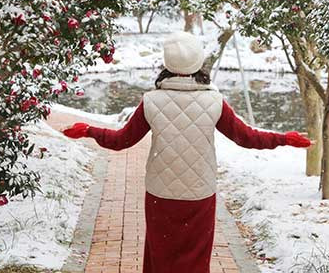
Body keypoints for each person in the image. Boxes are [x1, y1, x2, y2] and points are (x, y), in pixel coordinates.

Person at [62, 31, 313, 273]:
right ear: (198, 62)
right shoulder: (214, 102)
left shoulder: (151, 101)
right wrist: (283, 139)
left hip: (161, 193)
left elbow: (121, 140)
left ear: (167, 63)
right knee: (195, 257)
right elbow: (247, 138)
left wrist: (88, 130)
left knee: (160, 254)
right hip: (200, 193)